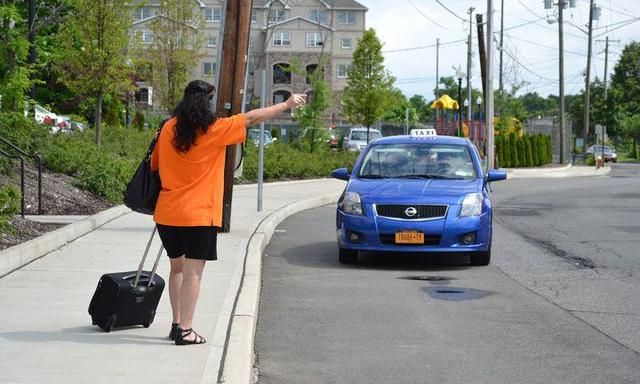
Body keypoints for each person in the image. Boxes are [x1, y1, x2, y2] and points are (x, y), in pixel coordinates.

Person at [150, 80, 306, 345]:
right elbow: (252, 117)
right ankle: (187, 331)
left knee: (176, 268)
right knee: (193, 273)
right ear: (206, 103)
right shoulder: (215, 129)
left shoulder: (166, 129)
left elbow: (154, 166)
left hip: (168, 213)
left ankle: (177, 325)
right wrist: (287, 104)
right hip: (199, 215)